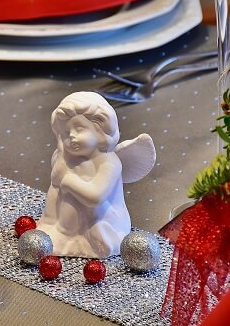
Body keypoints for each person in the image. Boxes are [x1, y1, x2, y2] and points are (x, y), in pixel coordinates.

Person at [38, 92, 155, 258]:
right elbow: (55, 183)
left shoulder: (109, 163)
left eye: (79, 129)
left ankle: (97, 235)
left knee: (77, 195)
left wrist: (69, 182)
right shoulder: (64, 158)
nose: (71, 136)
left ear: (100, 131)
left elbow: (95, 197)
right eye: (65, 132)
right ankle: (60, 231)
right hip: (68, 223)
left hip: (107, 218)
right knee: (61, 194)